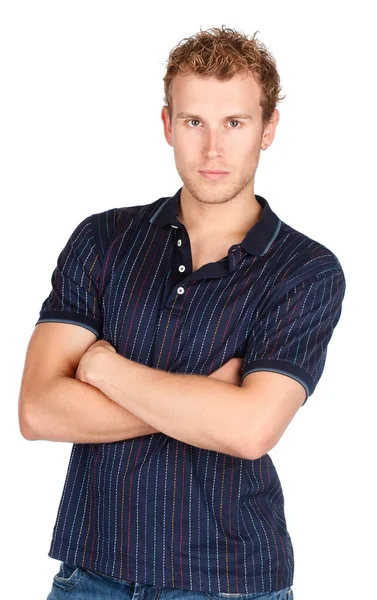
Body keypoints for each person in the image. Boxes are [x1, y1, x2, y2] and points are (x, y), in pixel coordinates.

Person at [18, 25, 346, 600]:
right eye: (194, 122)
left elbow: (248, 430)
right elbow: (39, 410)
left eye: (235, 123)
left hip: (229, 581)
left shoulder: (305, 270)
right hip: (92, 573)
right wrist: (204, 402)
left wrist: (105, 371)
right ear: (168, 125)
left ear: (268, 129)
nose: (212, 149)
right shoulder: (102, 239)